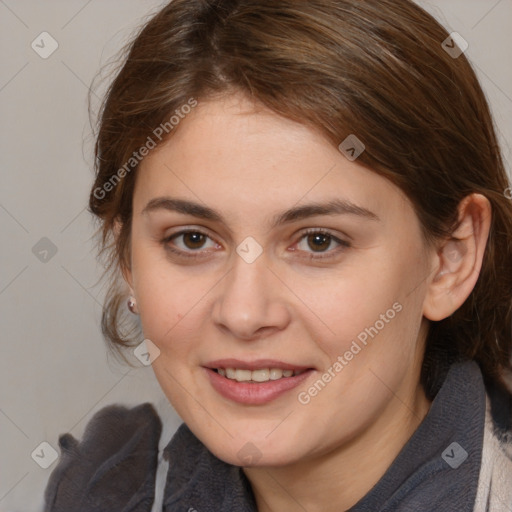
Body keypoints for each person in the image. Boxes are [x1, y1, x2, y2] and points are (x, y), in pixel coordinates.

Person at [43, 0, 512, 510]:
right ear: (126, 258)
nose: (244, 314)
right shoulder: (102, 492)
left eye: (318, 241)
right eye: (193, 239)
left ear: (450, 259)